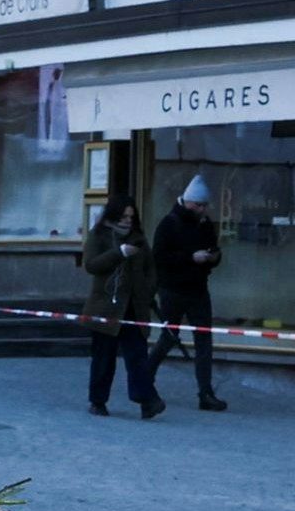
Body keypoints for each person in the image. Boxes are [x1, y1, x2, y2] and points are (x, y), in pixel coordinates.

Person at [80, 187, 165, 419]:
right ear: (113, 215)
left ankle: (147, 400)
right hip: (106, 308)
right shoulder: (98, 236)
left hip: (133, 307)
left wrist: (148, 292)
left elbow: (150, 269)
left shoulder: (138, 239)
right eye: (123, 216)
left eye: (131, 216)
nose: (127, 221)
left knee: (137, 357)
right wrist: (119, 253)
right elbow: (91, 265)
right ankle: (98, 401)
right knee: (103, 358)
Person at [150, 175, 229, 410]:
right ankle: (145, 376)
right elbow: (159, 257)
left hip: (198, 289)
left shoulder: (204, 225)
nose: (203, 210)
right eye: (199, 205)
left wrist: (213, 258)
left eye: (205, 205)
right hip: (173, 289)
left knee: (204, 340)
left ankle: (205, 393)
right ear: (188, 201)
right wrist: (191, 258)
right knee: (169, 337)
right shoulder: (169, 224)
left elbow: (213, 250)